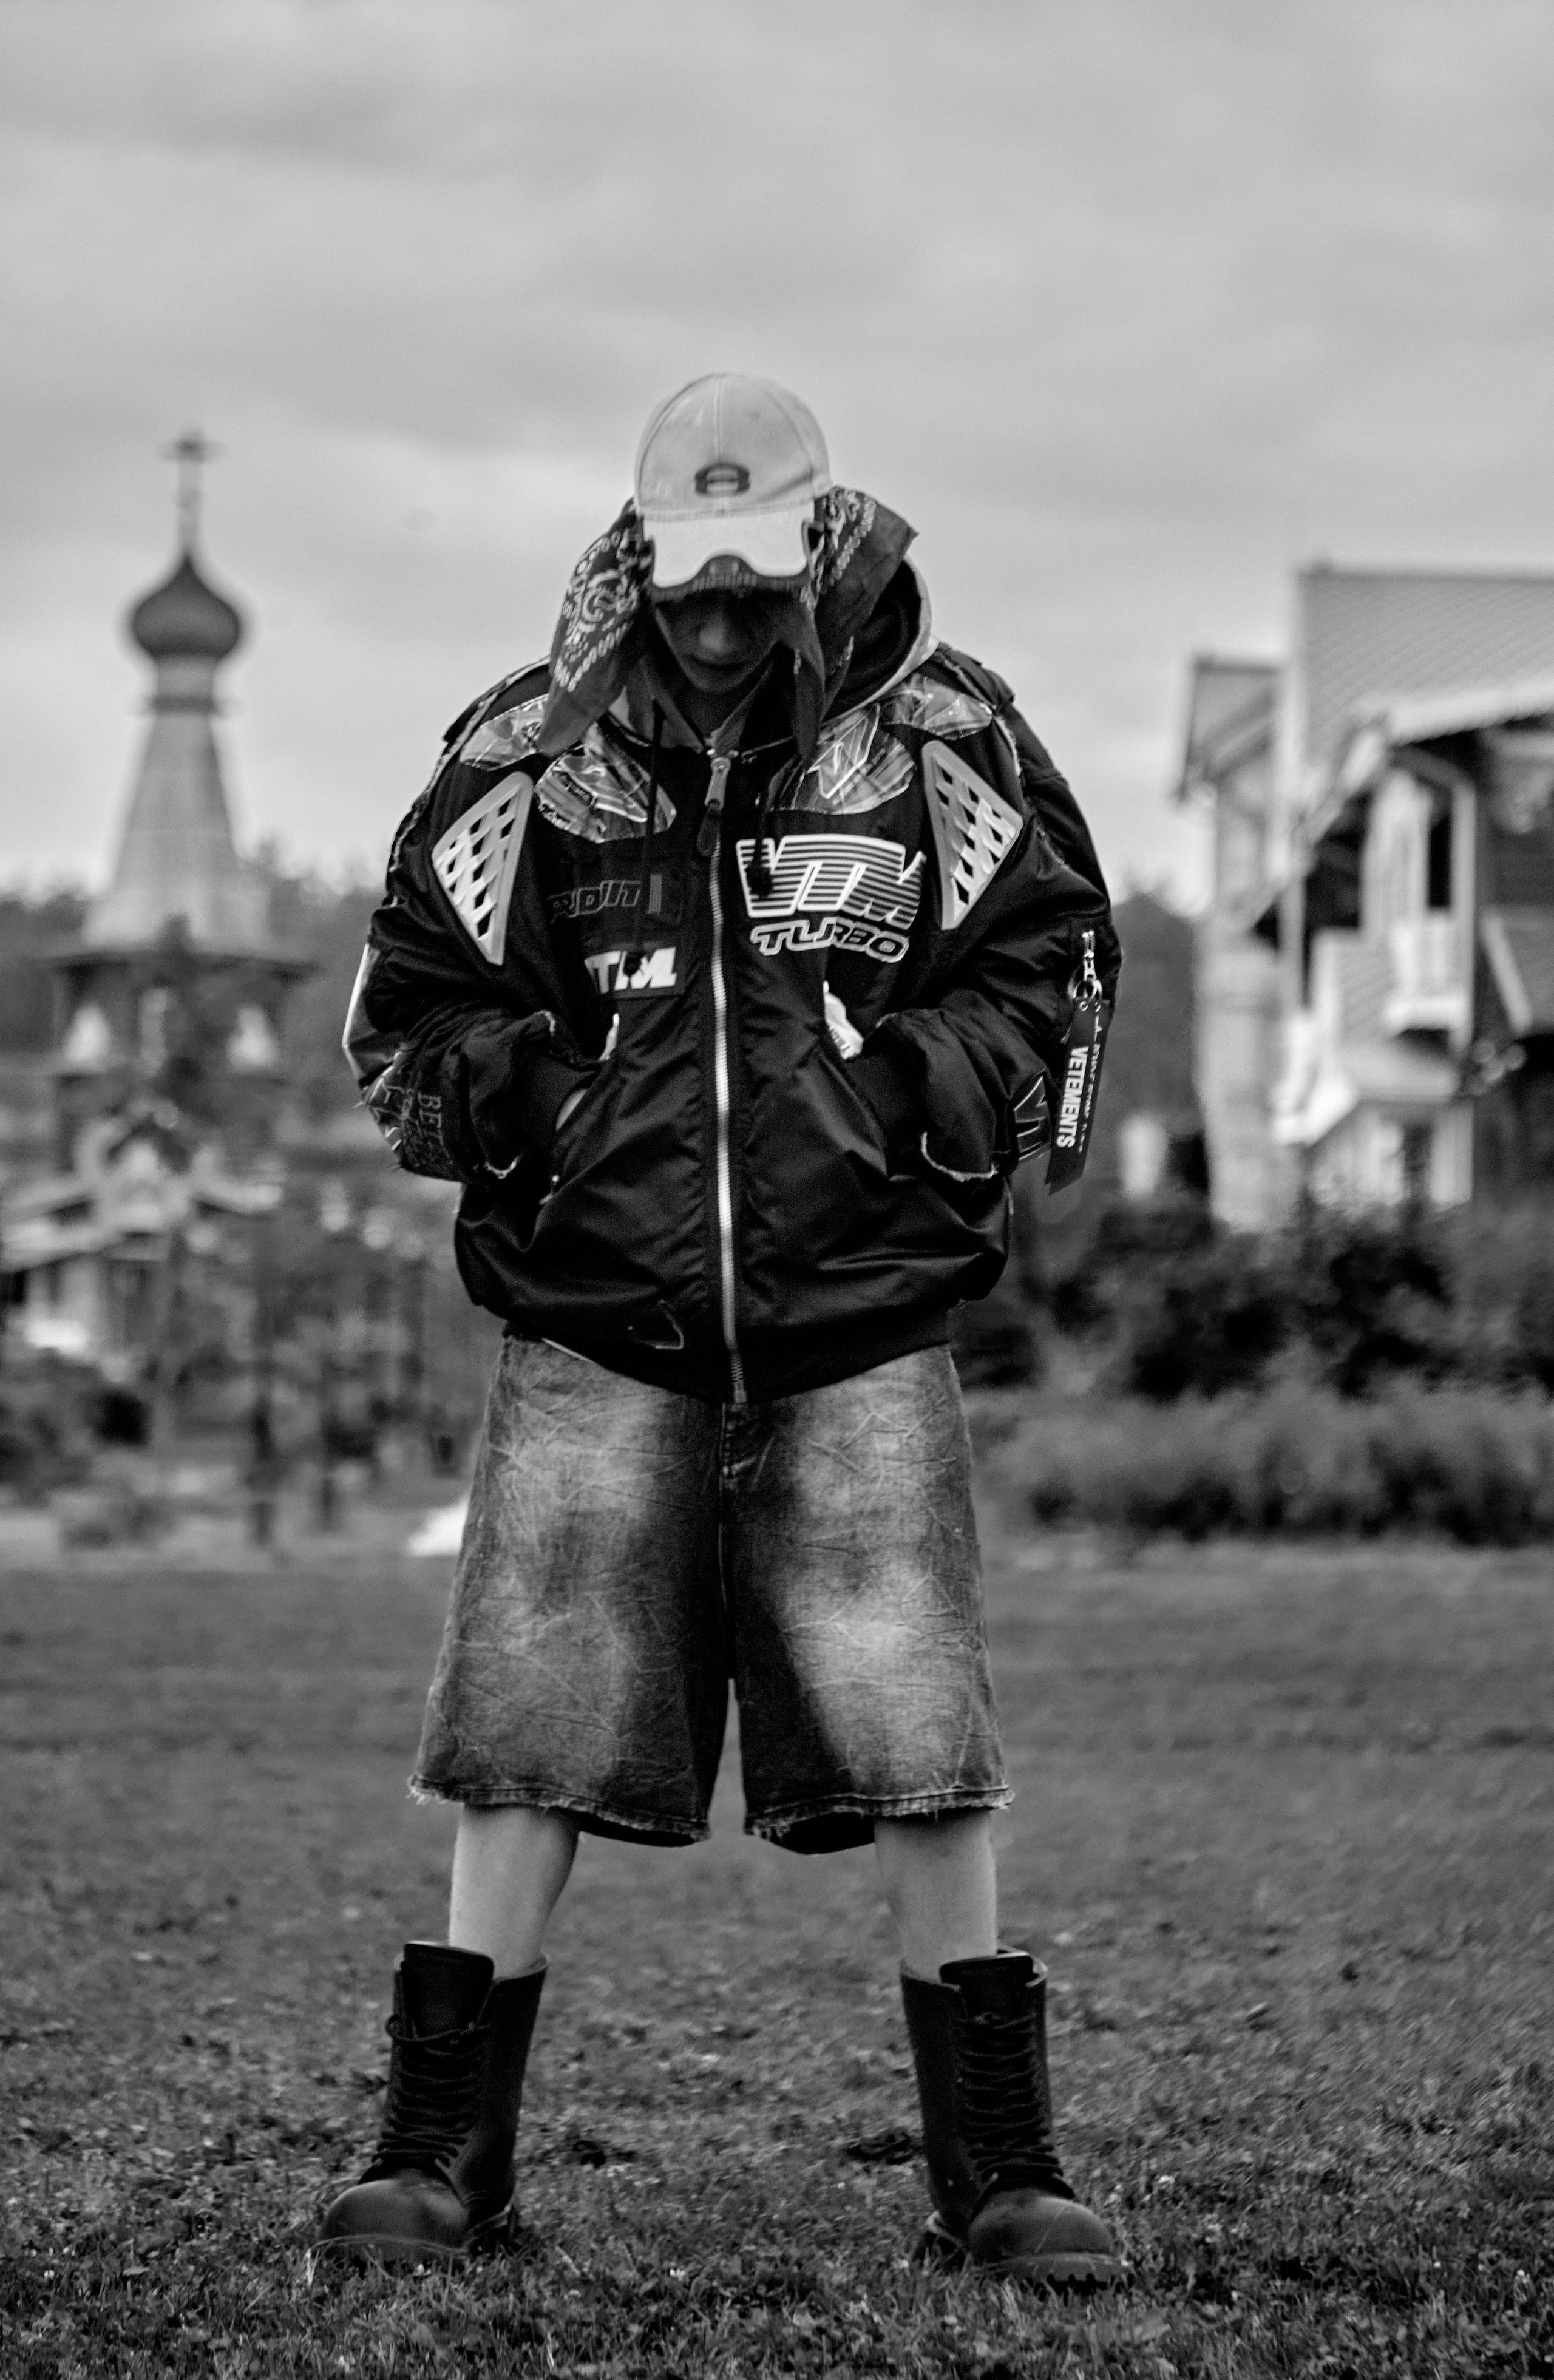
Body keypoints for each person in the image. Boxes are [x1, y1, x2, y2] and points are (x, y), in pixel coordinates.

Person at [320, 373, 1122, 2286]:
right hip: (594, 1322)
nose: (722, 621)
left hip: (862, 1322)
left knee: (923, 1734)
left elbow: (1061, 960)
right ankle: (440, 2158)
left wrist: (921, 1092)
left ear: (829, 550)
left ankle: (999, 2175)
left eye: (759, 586)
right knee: (522, 1734)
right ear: (641, 554)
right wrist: (528, 1100)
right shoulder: (526, 759)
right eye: (693, 585)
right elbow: (401, 1006)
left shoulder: (945, 741)